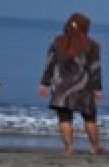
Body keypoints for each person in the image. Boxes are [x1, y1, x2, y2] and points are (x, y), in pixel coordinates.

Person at [40, 12, 104, 154]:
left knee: (64, 118)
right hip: (83, 86)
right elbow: (95, 68)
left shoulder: (57, 42)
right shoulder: (92, 45)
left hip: (61, 87)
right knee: (90, 118)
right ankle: (95, 147)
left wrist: (45, 83)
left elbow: (50, 64)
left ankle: (68, 148)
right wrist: (98, 88)